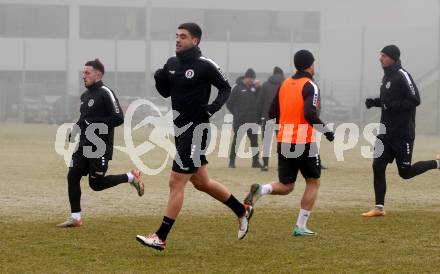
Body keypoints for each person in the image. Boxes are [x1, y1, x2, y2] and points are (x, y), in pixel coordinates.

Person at [136, 23, 253, 251]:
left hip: (197, 130)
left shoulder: (205, 65)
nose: (178, 40)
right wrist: (160, 79)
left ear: (195, 41)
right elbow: (166, 92)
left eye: (183, 36)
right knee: (202, 182)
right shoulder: (171, 63)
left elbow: (226, 88)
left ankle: (160, 237)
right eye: (177, 36)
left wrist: (211, 109)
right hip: (179, 130)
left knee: (175, 182)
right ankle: (242, 210)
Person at [243, 50, 334, 236]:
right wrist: (326, 131)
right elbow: (310, 113)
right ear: (310, 65)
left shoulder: (285, 84)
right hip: (303, 141)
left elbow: (272, 112)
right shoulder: (310, 85)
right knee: (313, 181)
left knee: (286, 185)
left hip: (284, 139)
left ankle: (262, 189)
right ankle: (300, 226)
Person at [57, 59, 144, 228]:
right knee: (72, 176)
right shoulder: (85, 96)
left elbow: (118, 118)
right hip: (84, 145)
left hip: (100, 146)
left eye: (87, 73)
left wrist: (95, 124)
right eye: (83, 73)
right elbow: (84, 119)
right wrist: (76, 128)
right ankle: (75, 217)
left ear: (98, 75)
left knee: (96, 184)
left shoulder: (105, 92)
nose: (84, 76)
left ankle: (131, 177)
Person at [362, 45, 440, 217]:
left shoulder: (402, 75)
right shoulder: (387, 76)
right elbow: (388, 99)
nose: (380, 58)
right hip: (385, 133)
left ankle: (437, 164)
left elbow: (415, 100)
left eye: (383, 55)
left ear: (393, 58)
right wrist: (375, 102)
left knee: (405, 172)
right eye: (380, 55)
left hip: (402, 133)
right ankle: (379, 208)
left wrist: (391, 105)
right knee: (377, 166)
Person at [226, 68, 262, 168]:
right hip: (240, 121)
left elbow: (260, 99)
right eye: (250, 78)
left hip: (252, 120)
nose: (252, 81)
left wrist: (259, 88)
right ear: (246, 77)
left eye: (253, 79)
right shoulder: (237, 88)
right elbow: (229, 103)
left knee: (254, 142)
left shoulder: (254, 88)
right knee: (237, 141)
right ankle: (232, 162)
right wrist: (236, 113)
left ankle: (255, 162)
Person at [257, 66, 285, 171]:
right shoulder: (285, 85)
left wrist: (259, 118)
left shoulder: (265, 85)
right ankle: (281, 165)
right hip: (281, 118)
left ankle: (265, 165)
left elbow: (260, 102)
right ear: (281, 75)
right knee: (282, 142)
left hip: (267, 117)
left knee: (266, 142)